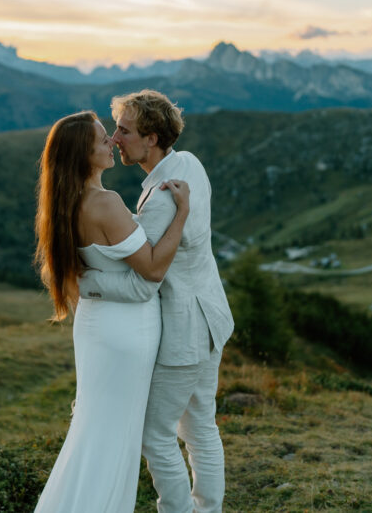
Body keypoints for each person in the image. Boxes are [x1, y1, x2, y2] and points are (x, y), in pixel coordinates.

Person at [78, 90, 234, 513]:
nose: (114, 139)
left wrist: (87, 283)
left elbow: (145, 280)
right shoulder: (189, 164)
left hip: (185, 330)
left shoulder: (163, 197)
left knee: (155, 434)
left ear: (151, 139)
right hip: (211, 318)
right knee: (201, 426)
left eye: (124, 132)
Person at [33, 110, 191, 513]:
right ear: (84, 156)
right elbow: (153, 268)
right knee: (113, 434)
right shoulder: (105, 203)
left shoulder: (63, 203)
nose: (113, 142)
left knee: (92, 428)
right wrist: (182, 215)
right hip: (125, 334)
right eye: (103, 139)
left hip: (95, 328)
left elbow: (82, 274)